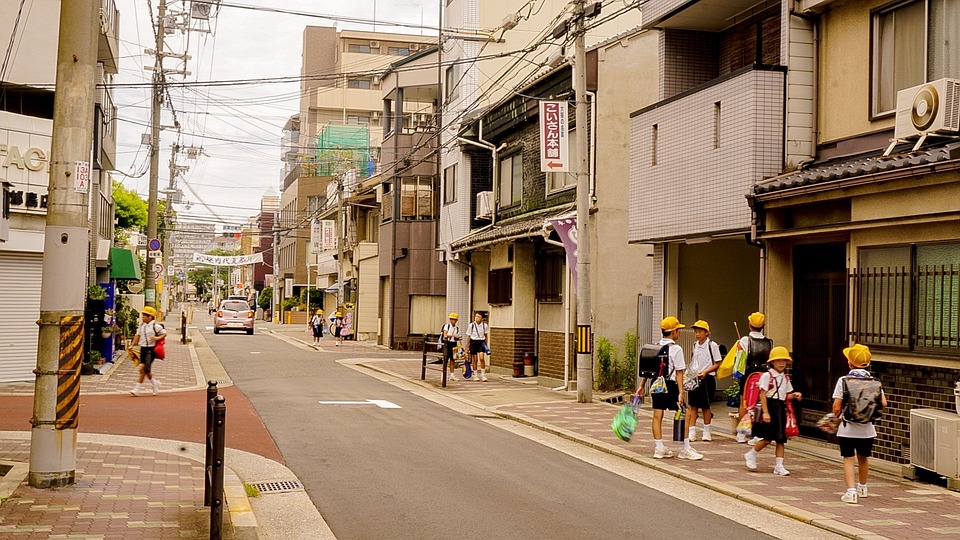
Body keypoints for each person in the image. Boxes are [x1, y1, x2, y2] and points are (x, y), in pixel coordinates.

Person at [636, 317, 698, 460]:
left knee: (658, 415)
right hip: (670, 386)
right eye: (678, 330)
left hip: (656, 385)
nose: (679, 333)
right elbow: (679, 372)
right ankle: (685, 449)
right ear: (673, 332)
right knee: (685, 413)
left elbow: (648, 370)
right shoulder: (676, 349)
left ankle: (659, 448)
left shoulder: (655, 347)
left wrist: (641, 386)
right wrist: (681, 392)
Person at [832, 344, 887, 504]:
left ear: (849, 363)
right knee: (863, 458)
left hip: (847, 428)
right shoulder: (874, 381)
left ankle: (851, 492)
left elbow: (837, 405)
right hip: (867, 429)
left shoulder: (843, 380)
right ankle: (862, 487)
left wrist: (836, 415)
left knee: (848, 458)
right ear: (868, 364)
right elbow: (883, 403)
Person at [744, 346, 802, 475]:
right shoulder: (767, 376)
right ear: (772, 362)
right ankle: (751, 453)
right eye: (778, 360)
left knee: (781, 439)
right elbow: (762, 394)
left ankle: (779, 466)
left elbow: (786, 395)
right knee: (767, 438)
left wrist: (794, 395)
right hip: (770, 406)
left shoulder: (785, 378)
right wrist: (765, 412)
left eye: (784, 360)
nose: (781, 363)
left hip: (780, 408)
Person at [735, 312, 773, 443]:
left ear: (750, 324)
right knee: (760, 403)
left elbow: (739, 361)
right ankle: (758, 432)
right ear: (763, 325)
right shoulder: (769, 342)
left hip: (748, 375)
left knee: (744, 403)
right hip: (765, 376)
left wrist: (737, 374)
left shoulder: (745, 340)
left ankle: (742, 433)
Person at [686, 320, 722, 442]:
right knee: (693, 406)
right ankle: (692, 432)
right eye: (696, 332)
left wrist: (706, 371)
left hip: (708, 379)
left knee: (706, 406)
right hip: (695, 378)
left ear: (706, 333)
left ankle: (707, 432)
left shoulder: (713, 345)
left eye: (700, 331)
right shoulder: (695, 345)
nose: (697, 334)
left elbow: (718, 362)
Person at [131, 306, 166, 396]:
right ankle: (155, 384)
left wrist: (156, 338)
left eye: (144, 315)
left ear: (150, 316)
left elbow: (164, 333)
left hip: (151, 349)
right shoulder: (141, 325)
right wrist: (132, 345)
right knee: (145, 370)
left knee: (143, 368)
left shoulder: (155, 326)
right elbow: (137, 335)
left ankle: (137, 389)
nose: (143, 317)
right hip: (143, 348)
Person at [466, 312, 489, 382]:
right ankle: (475, 375)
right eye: (476, 316)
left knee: (482, 358)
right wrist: (467, 345)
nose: (477, 318)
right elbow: (469, 336)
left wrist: (486, 344)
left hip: (481, 342)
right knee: (475, 359)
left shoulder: (484, 325)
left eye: (478, 317)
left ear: (482, 318)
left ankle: (483, 375)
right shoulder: (471, 325)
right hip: (473, 341)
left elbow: (486, 335)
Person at [441, 313, 461, 381]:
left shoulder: (456, 328)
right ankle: (443, 374)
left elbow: (455, 337)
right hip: (447, 343)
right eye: (452, 319)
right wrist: (453, 335)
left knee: (453, 360)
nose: (453, 321)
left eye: (454, 319)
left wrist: (458, 338)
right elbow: (445, 335)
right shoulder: (447, 326)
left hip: (454, 344)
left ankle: (452, 375)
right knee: (446, 359)